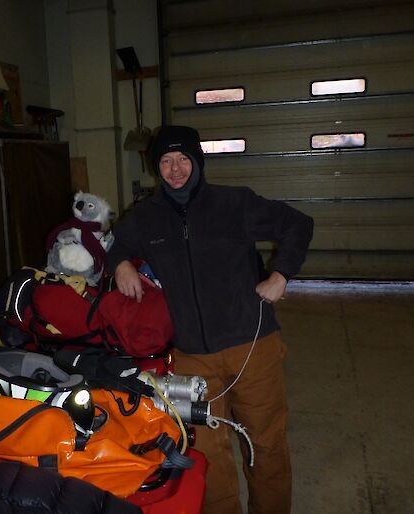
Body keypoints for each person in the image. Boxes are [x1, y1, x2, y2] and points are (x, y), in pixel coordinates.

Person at [106, 125, 313, 514]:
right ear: (156, 169)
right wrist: (120, 264)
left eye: (183, 159)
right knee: (207, 453)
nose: (175, 168)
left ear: (198, 162)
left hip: (252, 347)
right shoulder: (146, 217)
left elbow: (298, 224)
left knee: (265, 444)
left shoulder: (235, 204)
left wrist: (280, 274)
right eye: (166, 161)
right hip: (190, 358)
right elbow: (116, 242)